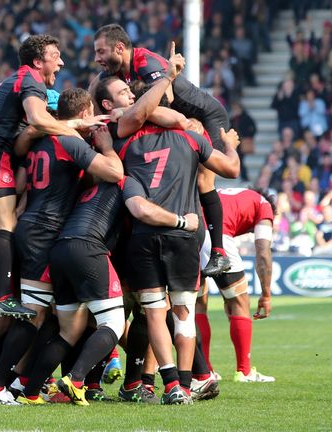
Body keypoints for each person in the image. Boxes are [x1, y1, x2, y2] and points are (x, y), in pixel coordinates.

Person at [94, 73, 241, 404]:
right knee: (183, 311)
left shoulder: (125, 139)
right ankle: (186, 386)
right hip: (183, 234)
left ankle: (169, 383)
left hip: (142, 237)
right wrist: (229, 143)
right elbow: (231, 169)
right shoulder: (190, 137)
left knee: (154, 313)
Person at [0, 34, 107, 333]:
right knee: (6, 223)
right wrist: (76, 132)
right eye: (55, 56)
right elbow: (37, 120)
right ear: (37, 61)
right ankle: (5, 297)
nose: (61, 62)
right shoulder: (31, 81)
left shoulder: (13, 80)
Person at [0, 88, 124, 405]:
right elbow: (114, 172)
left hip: (31, 226)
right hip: (44, 233)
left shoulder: (41, 141)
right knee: (33, 316)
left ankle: (17, 384)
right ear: (85, 112)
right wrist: (107, 147)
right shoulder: (67, 141)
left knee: (45, 318)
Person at [15, 177, 201, 405]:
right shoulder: (126, 183)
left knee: (68, 331)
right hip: (90, 250)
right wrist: (183, 222)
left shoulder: (88, 186)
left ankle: (31, 392)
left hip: (60, 249)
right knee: (113, 323)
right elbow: (141, 210)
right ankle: (76, 380)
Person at [92, 24, 232, 278]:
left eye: (101, 52)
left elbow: (163, 100)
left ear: (119, 48)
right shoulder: (112, 75)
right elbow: (93, 93)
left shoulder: (147, 62)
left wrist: (126, 112)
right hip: (177, 119)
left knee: (203, 179)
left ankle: (220, 252)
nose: (97, 58)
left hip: (205, 117)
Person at [196, 187, 276, 384]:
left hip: (190, 235)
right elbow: (263, 251)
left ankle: (205, 372)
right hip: (217, 239)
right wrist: (266, 294)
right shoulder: (264, 206)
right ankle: (244, 371)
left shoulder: (232, 193)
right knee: (240, 303)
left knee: (197, 305)